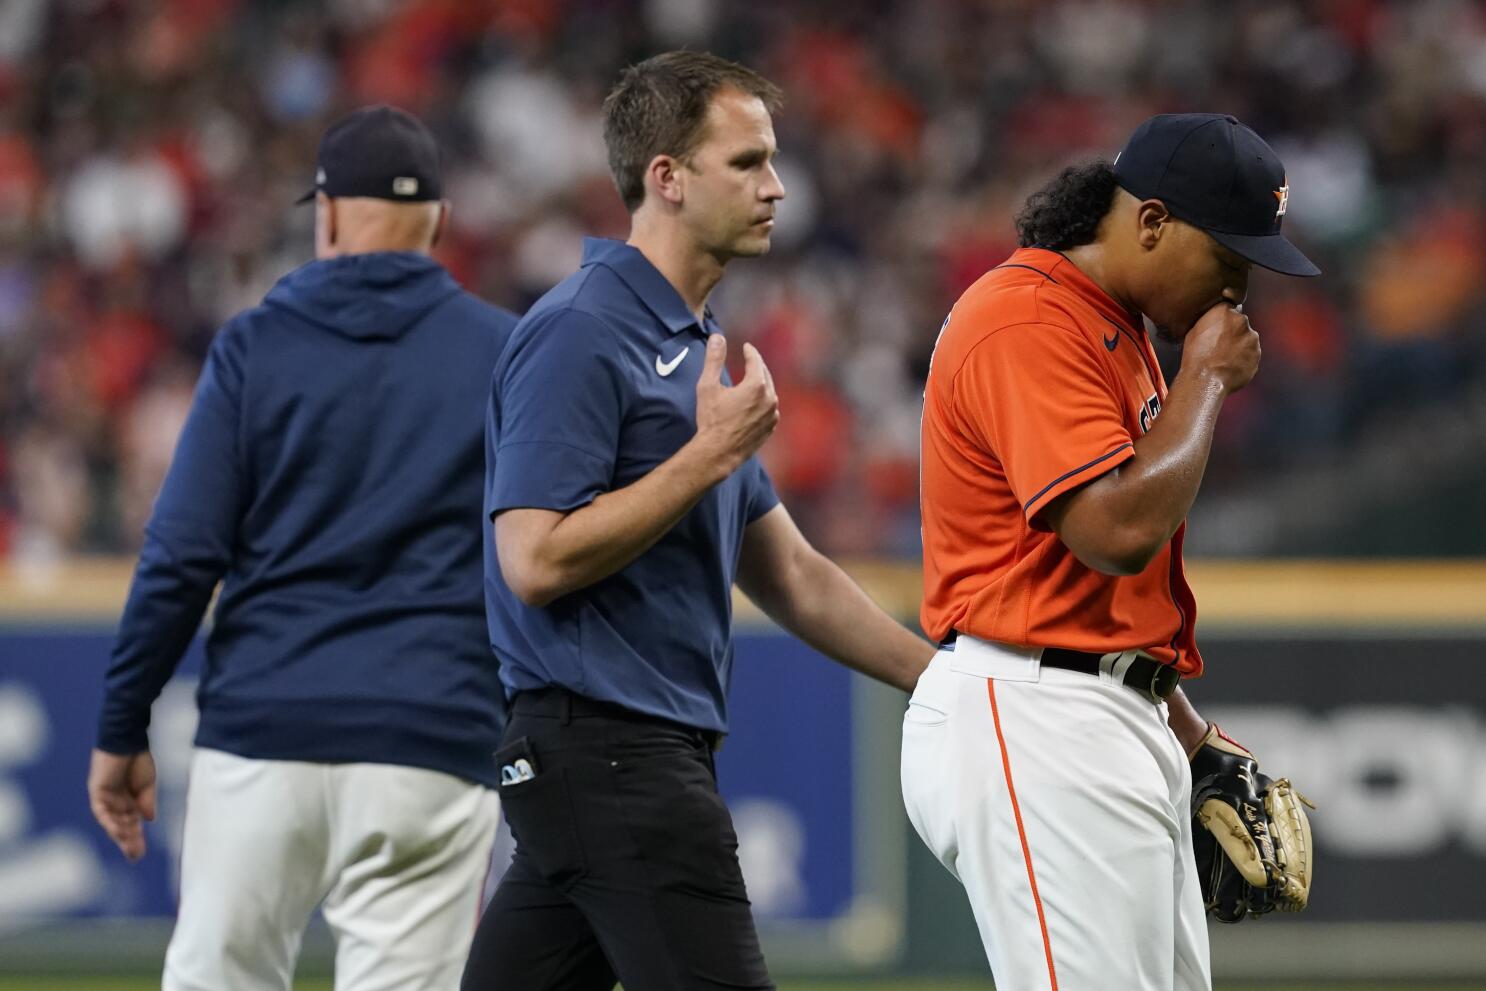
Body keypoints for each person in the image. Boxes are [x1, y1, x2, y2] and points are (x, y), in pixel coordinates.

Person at [461, 51, 935, 991]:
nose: (778, 186)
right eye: (749, 162)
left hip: (599, 767)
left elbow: (792, 574)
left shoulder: (683, 346)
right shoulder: (582, 331)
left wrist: (943, 681)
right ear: (666, 179)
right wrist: (708, 455)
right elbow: (533, 558)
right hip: (615, 755)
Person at [88, 105, 518, 991]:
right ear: (437, 221)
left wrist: (122, 722)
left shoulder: (256, 344)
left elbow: (180, 556)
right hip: (431, 737)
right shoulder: (506, 353)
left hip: (263, 735)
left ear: (324, 212)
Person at [902, 113, 1320, 991]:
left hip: (1099, 709)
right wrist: (1205, 378)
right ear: (1153, 223)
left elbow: (1101, 601)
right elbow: (1114, 533)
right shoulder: (1027, 317)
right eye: (1230, 259)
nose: (1238, 292)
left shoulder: (1114, 330)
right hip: (1036, 714)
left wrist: (1189, 733)